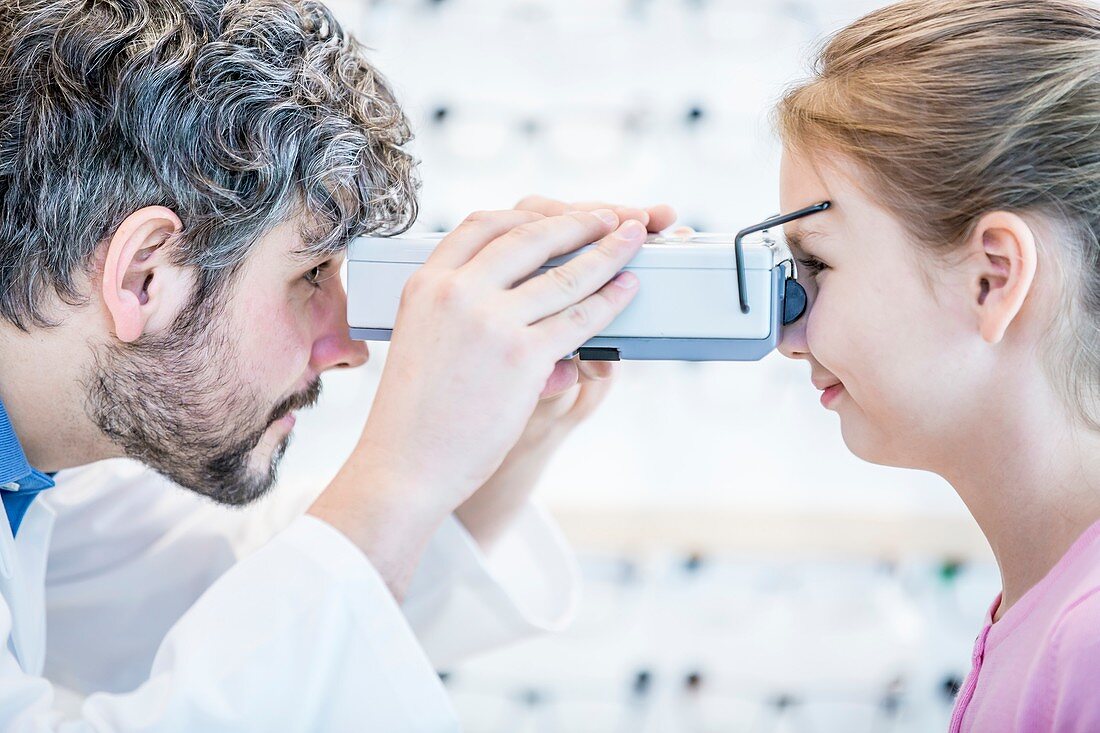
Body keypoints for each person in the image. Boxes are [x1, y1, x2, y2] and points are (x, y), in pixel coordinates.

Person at [0, 0, 674, 729]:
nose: (347, 348)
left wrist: (510, 438)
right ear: (144, 277)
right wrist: (404, 471)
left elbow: (226, 601)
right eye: (312, 275)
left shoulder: (35, 470)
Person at [773, 1, 1100, 729]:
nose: (788, 337)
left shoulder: (1090, 643)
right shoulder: (1045, 610)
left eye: (817, 264)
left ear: (992, 277)